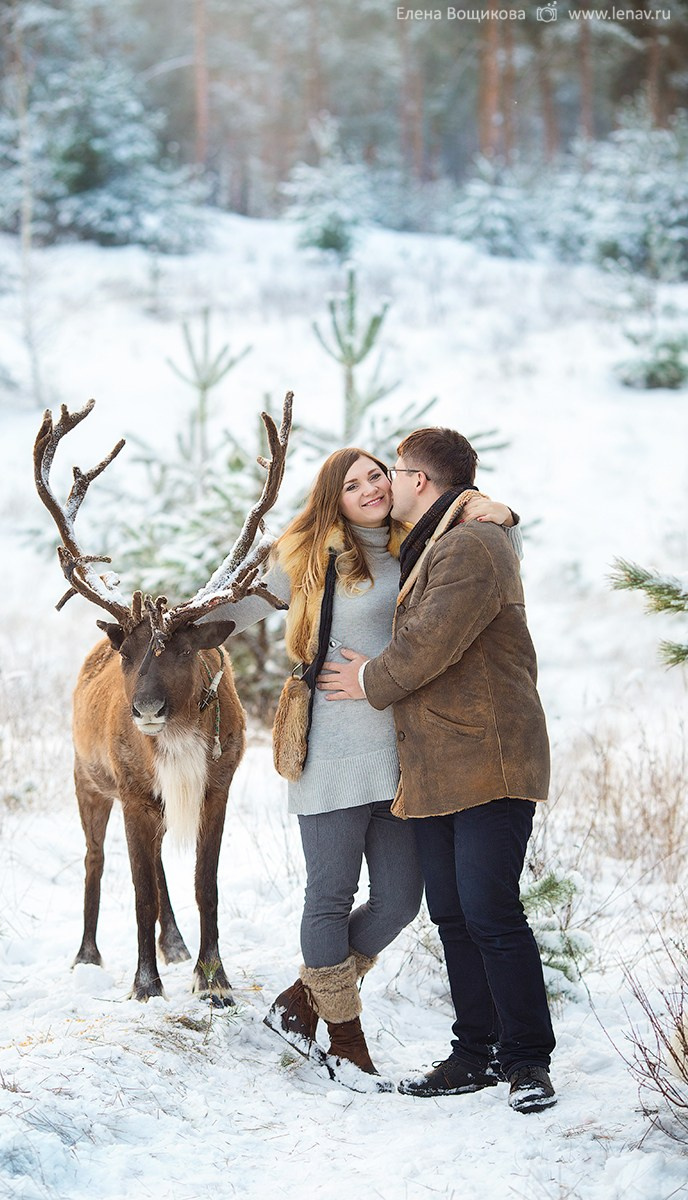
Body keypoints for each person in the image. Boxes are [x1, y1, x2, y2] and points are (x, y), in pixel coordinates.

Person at [207, 446, 519, 1093]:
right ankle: (347, 1043)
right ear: (333, 499)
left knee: (402, 899)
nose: (371, 487)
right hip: (331, 753)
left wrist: (497, 507)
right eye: (353, 484)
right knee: (329, 896)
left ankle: (300, 1002)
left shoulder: (420, 544)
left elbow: (486, 543)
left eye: (378, 474)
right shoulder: (307, 555)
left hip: (406, 756)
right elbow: (227, 610)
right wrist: (164, 629)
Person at [318, 427, 556, 1114]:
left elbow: (428, 647)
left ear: (421, 482)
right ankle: (473, 1053)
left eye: (394, 472)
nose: (385, 485)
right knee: (452, 913)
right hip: (435, 764)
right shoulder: (432, 544)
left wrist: (368, 679)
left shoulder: (471, 546)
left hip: (489, 756)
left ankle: (528, 1061)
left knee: (490, 910)